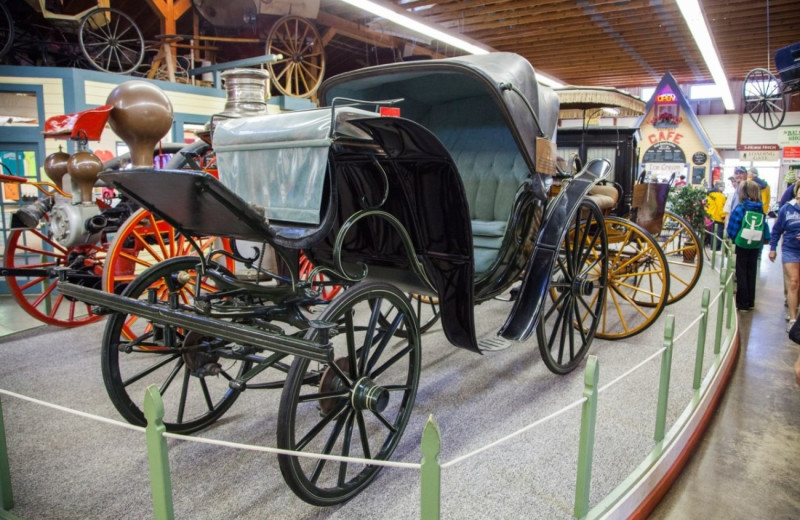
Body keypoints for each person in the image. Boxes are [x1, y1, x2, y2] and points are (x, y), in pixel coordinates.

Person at [727, 180, 770, 312]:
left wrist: (733, 238)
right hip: (755, 244)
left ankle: (742, 303)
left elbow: (733, 227)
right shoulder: (759, 208)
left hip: (742, 243)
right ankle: (750, 301)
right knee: (752, 271)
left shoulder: (741, 207)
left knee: (741, 272)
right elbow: (765, 226)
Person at [768, 180, 800, 330]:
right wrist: (772, 248)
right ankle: (793, 318)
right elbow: (777, 230)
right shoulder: (787, 209)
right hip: (790, 249)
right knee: (793, 281)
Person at [705, 180, 727, 250]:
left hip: (711, 217)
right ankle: (716, 250)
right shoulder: (720, 195)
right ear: (718, 186)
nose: (724, 188)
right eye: (722, 186)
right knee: (718, 235)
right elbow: (721, 207)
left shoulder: (710, 194)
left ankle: (712, 249)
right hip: (718, 218)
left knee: (713, 235)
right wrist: (724, 217)